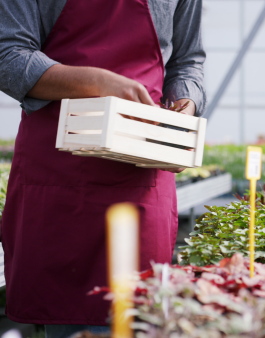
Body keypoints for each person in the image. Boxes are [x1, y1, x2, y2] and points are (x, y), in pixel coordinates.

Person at [0, 0, 206, 336]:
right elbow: (8, 56)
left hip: (141, 171)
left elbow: (188, 59)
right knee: (65, 320)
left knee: (141, 313)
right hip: (57, 170)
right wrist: (96, 83)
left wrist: (187, 100)